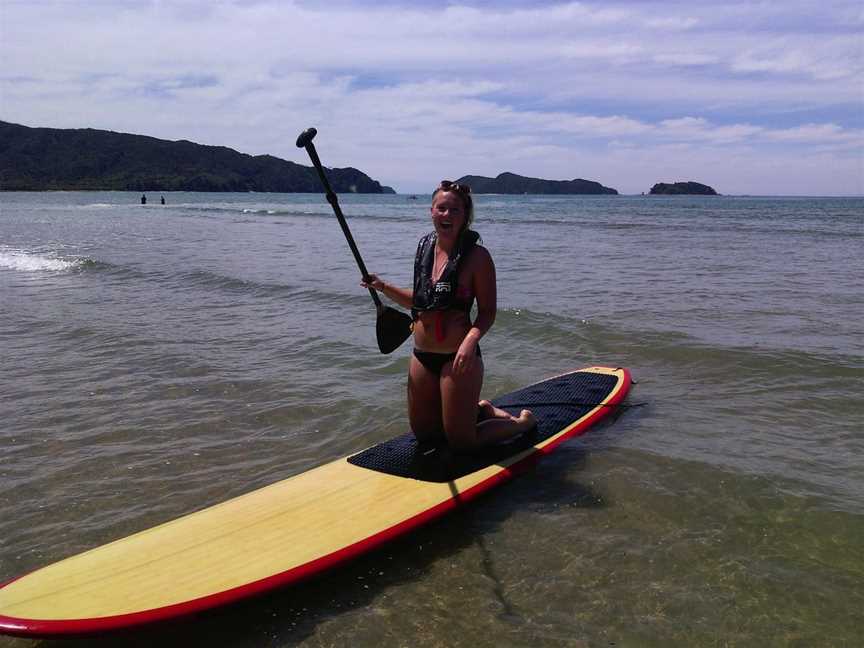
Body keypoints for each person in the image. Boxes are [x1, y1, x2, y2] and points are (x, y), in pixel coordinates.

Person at [363, 180, 535, 452]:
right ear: (431, 211)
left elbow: (488, 312)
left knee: (462, 442)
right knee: (426, 436)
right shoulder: (424, 248)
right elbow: (421, 302)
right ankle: (480, 409)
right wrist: (383, 287)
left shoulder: (478, 257)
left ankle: (521, 424)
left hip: (458, 357)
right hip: (422, 354)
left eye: (455, 210)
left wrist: (470, 341)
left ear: (465, 215)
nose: (447, 215)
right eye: (441, 208)